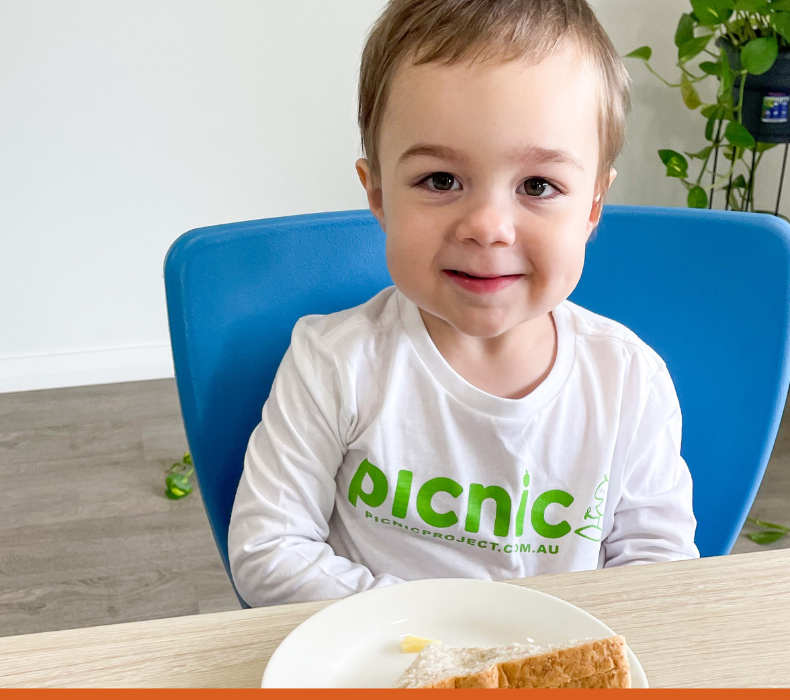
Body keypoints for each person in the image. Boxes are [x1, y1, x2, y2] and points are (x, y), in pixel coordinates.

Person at [228, 0, 698, 608]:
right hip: (381, 652)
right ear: (378, 195)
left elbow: (660, 573)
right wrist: (445, 627)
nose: (488, 227)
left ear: (592, 207)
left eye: (538, 185)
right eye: (441, 180)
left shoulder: (628, 379)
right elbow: (268, 550)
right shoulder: (332, 363)